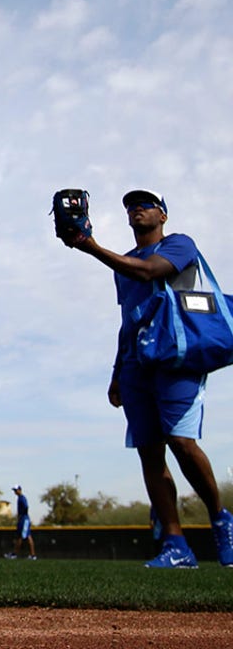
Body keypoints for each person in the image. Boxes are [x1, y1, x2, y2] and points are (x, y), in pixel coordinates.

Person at [64, 188, 233, 568]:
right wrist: (116, 372)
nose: (136, 210)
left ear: (163, 215)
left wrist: (89, 246)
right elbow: (129, 320)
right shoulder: (125, 264)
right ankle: (177, 544)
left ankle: (220, 517)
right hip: (138, 361)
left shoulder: (179, 244)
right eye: (130, 207)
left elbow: (151, 271)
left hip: (176, 354)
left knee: (181, 441)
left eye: (145, 205)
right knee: (149, 450)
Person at [4, 485, 36, 559]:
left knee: (25, 537)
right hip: (22, 519)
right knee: (21, 536)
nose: (15, 492)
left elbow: (26, 507)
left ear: (19, 490)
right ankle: (16, 554)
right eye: (14, 490)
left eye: (16, 490)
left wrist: (23, 516)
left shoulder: (22, 498)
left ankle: (31, 555)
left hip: (24, 519)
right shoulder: (19, 498)